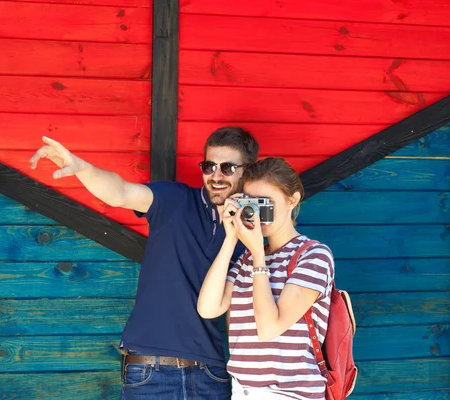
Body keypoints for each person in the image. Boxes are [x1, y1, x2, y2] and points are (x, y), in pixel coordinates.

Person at [30, 126, 259, 399]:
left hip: (211, 372)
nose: (216, 176)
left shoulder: (253, 227)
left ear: (248, 170)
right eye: (209, 166)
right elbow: (120, 192)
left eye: (228, 168)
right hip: (151, 371)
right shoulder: (175, 199)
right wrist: (81, 167)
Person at [197, 157, 335, 400]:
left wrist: (258, 255)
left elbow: (269, 328)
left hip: (291, 394)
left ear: (292, 200)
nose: (258, 213)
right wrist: (230, 238)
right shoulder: (245, 260)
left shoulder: (313, 255)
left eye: (266, 203)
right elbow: (208, 309)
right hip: (242, 391)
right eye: (252, 203)